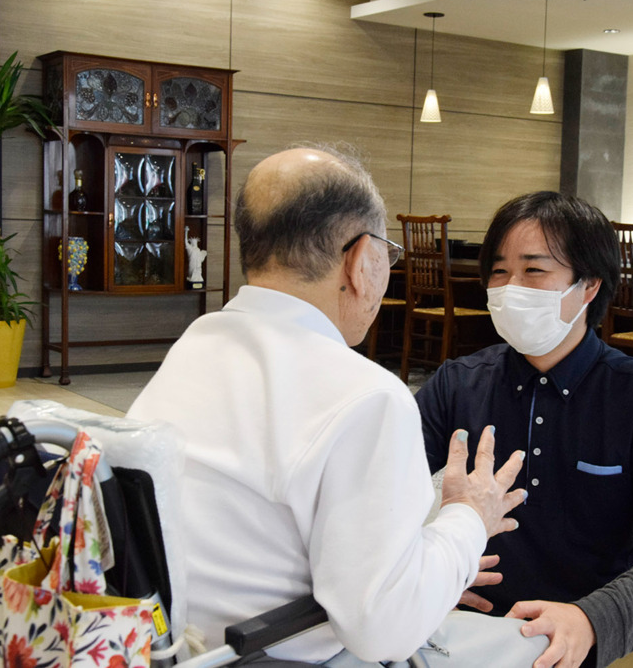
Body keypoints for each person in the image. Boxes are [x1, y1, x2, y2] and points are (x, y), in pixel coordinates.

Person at [127, 146, 548, 666]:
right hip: (276, 655)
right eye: (386, 255)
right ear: (359, 260)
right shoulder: (367, 395)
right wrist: (469, 518)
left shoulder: (196, 344)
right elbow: (385, 630)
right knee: (539, 647)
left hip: (165, 644)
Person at [416, 191, 633, 668]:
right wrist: (433, 558)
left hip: (600, 629)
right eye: (499, 272)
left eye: (534, 270)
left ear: (588, 286)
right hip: (481, 628)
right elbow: (370, 496)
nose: (510, 287)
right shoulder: (458, 383)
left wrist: (592, 620)